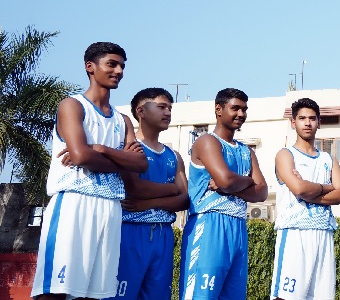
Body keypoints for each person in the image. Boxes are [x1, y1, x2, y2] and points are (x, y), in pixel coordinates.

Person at [32, 42, 149, 300]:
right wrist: (118, 158)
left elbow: (141, 165)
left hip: (109, 208)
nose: (119, 71)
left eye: (122, 66)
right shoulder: (72, 106)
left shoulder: (122, 120)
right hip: (74, 203)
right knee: (55, 290)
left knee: (92, 294)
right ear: (90, 67)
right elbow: (81, 156)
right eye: (112, 64)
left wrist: (103, 150)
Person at [179, 88, 268, 300]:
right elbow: (226, 181)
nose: (241, 114)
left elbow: (262, 191)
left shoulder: (247, 151)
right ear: (219, 109)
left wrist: (235, 182)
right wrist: (247, 182)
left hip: (238, 225)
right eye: (235, 108)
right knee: (202, 296)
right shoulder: (206, 141)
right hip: (209, 224)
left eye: (244, 109)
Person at [103, 88, 189, 300]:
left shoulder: (174, 155)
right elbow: (136, 188)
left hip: (163, 234)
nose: (168, 112)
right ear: (141, 111)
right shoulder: (129, 149)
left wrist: (147, 204)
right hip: (131, 231)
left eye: (170, 108)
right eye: (161, 107)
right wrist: (171, 189)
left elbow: (185, 199)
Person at [270, 97, 340, 300]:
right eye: (302, 118)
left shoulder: (327, 159)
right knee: (287, 297)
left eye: (312, 118)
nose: (307, 123)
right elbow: (299, 189)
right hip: (295, 233)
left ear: (319, 122)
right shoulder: (285, 155)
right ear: (293, 122)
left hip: (323, 233)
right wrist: (326, 187)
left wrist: (309, 191)